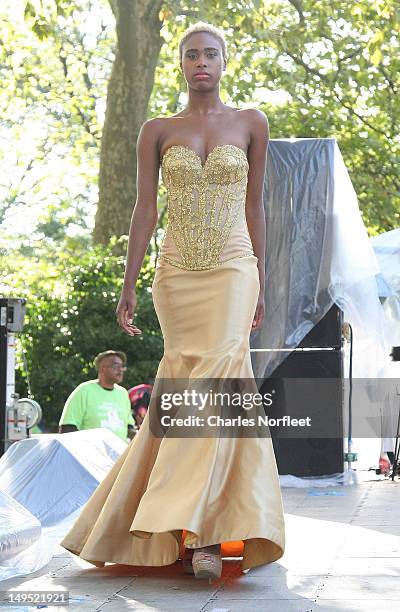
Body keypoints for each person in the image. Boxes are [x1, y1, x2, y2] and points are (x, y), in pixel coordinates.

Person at [60, 21, 285, 582]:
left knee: (220, 379)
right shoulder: (156, 130)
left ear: (225, 61)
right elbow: (144, 210)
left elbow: (256, 207)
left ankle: (206, 533)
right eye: (191, 55)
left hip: (234, 265)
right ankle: (185, 529)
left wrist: (264, 277)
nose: (201, 62)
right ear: (180, 64)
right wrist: (129, 282)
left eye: (211, 53)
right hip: (177, 272)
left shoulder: (252, 123)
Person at [58, 350, 135, 442]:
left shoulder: (123, 393)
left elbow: (129, 427)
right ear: (102, 369)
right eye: (115, 366)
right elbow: (68, 427)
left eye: (122, 366)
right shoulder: (84, 390)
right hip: (90, 454)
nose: (120, 370)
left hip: (119, 454)